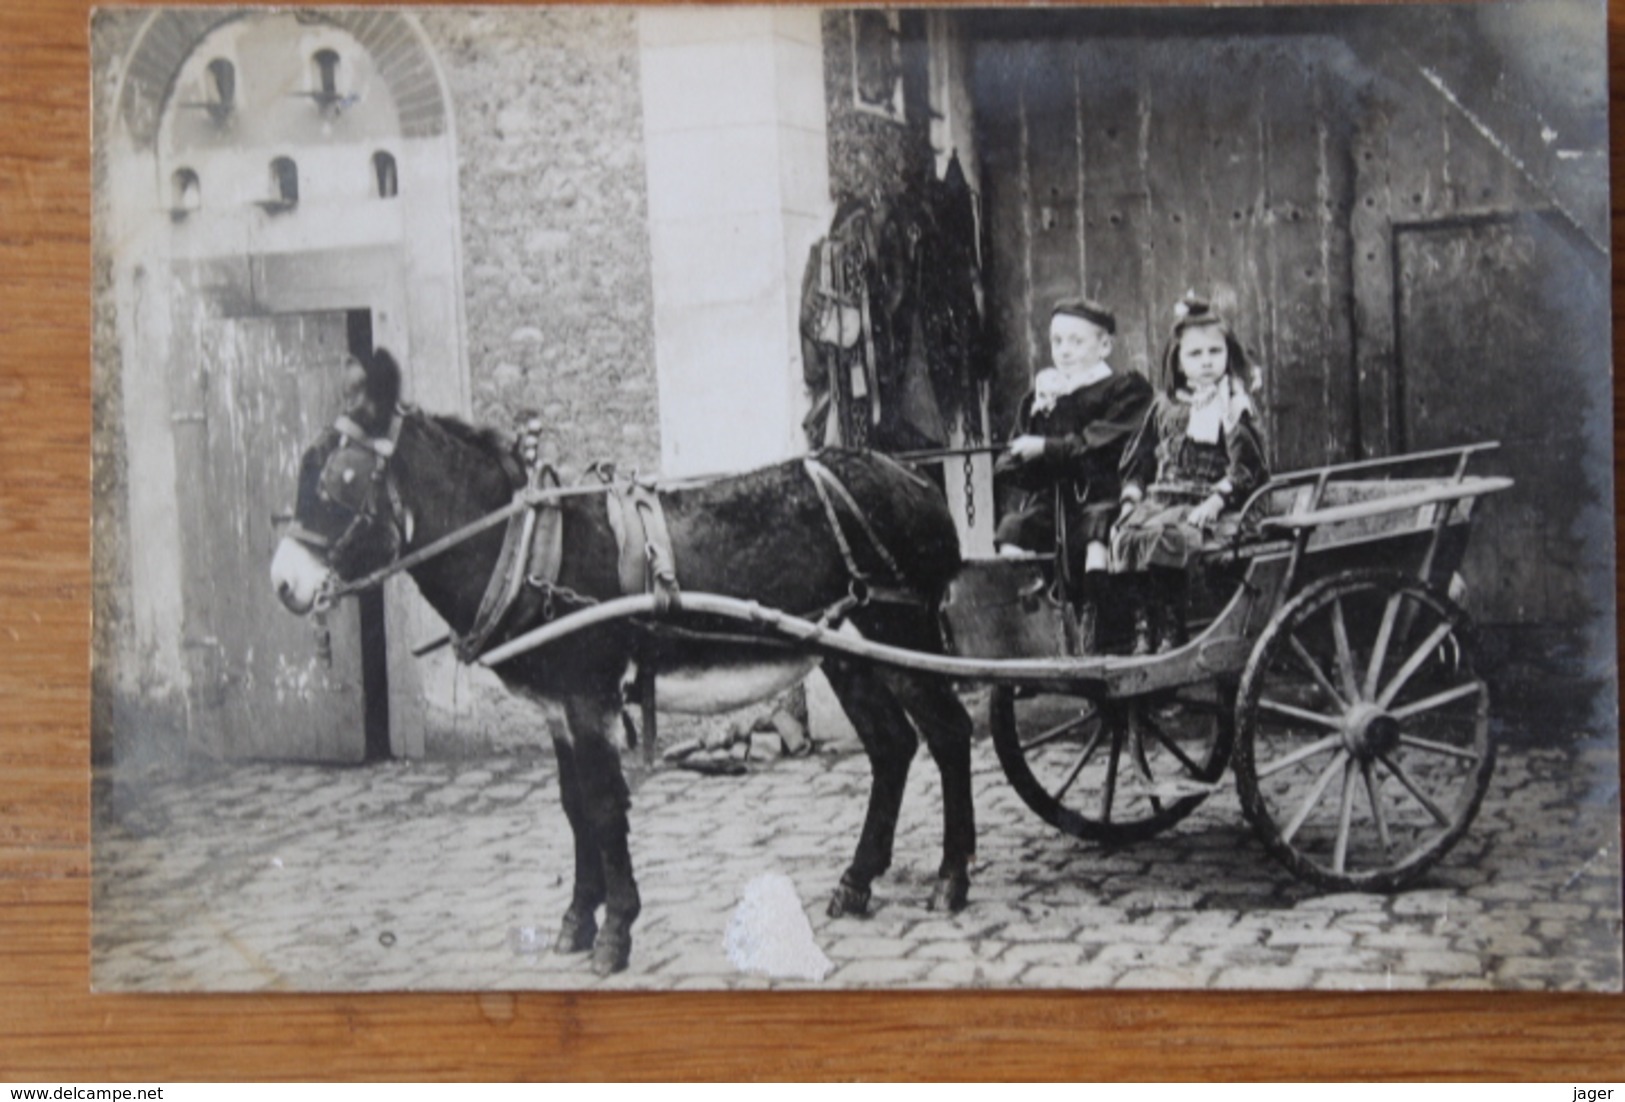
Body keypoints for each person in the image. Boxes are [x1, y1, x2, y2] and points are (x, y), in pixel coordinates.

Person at [1113, 294, 1268, 655]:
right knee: (1126, 534)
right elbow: (1138, 458)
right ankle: (1144, 627)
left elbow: (1248, 464)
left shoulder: (1232, 402)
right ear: (1179, 362)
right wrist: (1131, 497)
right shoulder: (1165, 405)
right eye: (1195, 355)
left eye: (1215, 352)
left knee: (1168, 535)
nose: (1206, 363)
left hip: (1216, 500)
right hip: (1165, 496)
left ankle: (1172, 630)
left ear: (1228, 355)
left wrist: (1217, 499)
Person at [994, 297, 1153, 645]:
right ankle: (1031, 636)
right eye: (1057, 342)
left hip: (1106, 496)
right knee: (1014, 530)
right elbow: (1010, 459)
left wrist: (1046, 448)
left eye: (1076, 342)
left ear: (1105, 345)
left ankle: (1101, 637)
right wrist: (1028, 450)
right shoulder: (1043, 397)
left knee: (1095, 534)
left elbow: (1100, 443)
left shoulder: (1125, 390)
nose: (1064, 351)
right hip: (1055, 501)